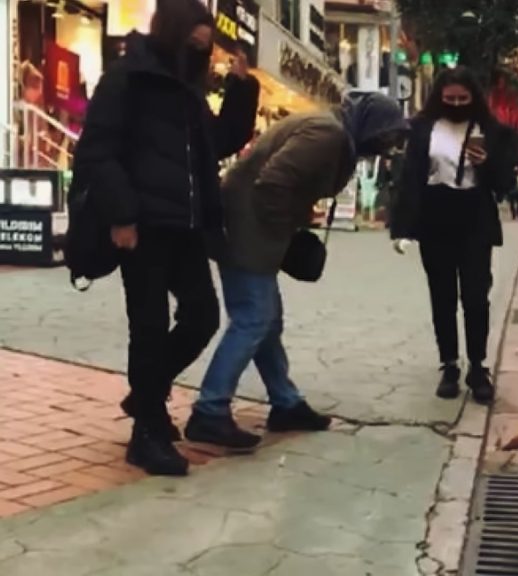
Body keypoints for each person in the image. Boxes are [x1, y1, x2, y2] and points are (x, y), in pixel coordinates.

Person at [70, 0, 260, 476]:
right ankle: (147, 432)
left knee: (202, 317)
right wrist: (122, 215)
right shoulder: (127, 78)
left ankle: (146, 395)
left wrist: (241, 89)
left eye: (205, 46)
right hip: (142, 227)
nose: (199, 53)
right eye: (193, 43)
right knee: (149, 327)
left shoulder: (189, 91)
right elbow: (97, 152)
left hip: (187, 226)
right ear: (171, 34)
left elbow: (216, 145)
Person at [184, 93, 408, 450]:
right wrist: (287, 230)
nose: (389, 145)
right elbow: (273, 183)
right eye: (388, 135)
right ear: (372, 126)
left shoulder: (333, 132)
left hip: (249, 227)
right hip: (248, 230)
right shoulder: (328, 135)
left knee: (266, 321)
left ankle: (285, 402)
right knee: (253, 320)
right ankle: (209, 411)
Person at [390, 67, 514, 404]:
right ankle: (449, 365)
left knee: (476, 297)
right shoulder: (422, 128)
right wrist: (401, 228)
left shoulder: (491, 130)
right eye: (449, 99)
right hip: (435, 215)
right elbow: (410, 178)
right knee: (442, 296)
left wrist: (486, 164)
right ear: (438, 98)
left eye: (463, 99)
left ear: (473, 98)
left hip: (475, 217)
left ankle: (478, 366)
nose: (456, 104)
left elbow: (506, 185)